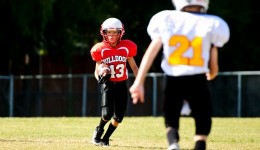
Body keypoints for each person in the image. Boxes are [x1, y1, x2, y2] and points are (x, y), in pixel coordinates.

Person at [129, 0, 230, 149]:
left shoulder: (167, 19)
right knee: (203, 117)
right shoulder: (212, 23)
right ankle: (200, 145)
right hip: (198, 77)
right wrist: (213, 73)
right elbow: (214, 64)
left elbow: (151, 52)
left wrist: (139, 82)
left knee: (171, 114)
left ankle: (173, 143)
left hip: (173, 76)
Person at [90, 17, 138, 146]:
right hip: (108, 84)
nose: (111, 35)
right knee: (107, 114)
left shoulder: (127, 47)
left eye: (114, 32)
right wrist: (99, 79)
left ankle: (105, 138)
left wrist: (138, 82)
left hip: (122, 84)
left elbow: (133, 66)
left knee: (118, 117)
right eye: (109, 32)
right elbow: (97, 70)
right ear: (104, 33)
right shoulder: (100, 49)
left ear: (120, 33)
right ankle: (99, 130)